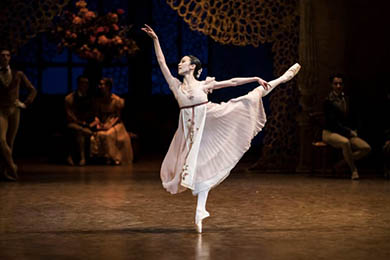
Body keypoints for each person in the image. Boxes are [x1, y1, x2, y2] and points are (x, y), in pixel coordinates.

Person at [142, 24, 301, 233]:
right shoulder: (175, 85)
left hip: (211, 121)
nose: (179, 65)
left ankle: (280, 79)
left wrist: (254, 78)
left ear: (192, 67)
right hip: (189, 133)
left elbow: (232, 82)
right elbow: (161, 62)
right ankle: (201, 211)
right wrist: (156, 40)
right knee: (196, 170)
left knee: (250, 97)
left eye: (183, 62)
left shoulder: (203, 85)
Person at [322, 73, 371, 180]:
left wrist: (354, 129)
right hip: (330, 132)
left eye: (340, 84)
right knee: (345, 142)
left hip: (346, 132)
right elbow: (332, 123)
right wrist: (349, 132)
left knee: (366, 148)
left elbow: (352, 117)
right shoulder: (328, 101)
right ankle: (353, 170)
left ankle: (340, 164)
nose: (338, 86)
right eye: (336, 84)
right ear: (331, 85)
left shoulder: (347, 99)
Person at [0, 48, 37, 181]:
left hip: (15, 110)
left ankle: (5, 171)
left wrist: (25, 103)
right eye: (2, 55)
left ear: (10, 58)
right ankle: (12, 167)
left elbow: (32, 90)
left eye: (7, 55)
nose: (5, 58)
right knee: (1, 140)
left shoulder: (18, 74)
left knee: (10, 142)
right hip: (1, 110)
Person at [89, 78, 133, 165]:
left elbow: (118, 117)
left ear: (108, 87)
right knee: (98, 135)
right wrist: (98, 123)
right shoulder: (98, 101)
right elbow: (97, 115)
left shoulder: (116, 100)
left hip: (115, 123)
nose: (100, 87)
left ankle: (115, 157)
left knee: (109, 134)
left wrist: (109, 126)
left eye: (102, 85)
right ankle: (103, 157)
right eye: (99, 85)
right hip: (103, 123)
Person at [64, 75, 94, 166]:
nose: (85, 85)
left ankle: (73, 156)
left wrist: (89, 123)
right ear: (78, 84)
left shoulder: (90, 98)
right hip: (73, 123)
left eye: (87, 83)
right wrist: (81, 123)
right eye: (83, 83)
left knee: (82, 132)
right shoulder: (70, 98)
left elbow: (92, 112)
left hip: (86, 124)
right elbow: (69, 115)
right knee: (79, 131)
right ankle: (81, 157)